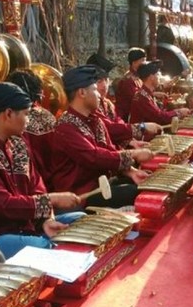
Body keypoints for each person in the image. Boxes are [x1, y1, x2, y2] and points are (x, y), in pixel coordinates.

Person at [0, 82, 81, 260]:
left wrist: (47, 219)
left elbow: (38, 188)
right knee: (45, 248)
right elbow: (3, 204)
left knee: (80, 220)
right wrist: (53, 200)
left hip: (27, 227)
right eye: (26, 114)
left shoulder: (18, 144)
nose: (28, 121)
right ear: (8, 114)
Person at [37, 65, 154, 207]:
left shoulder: (95, 120)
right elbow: (94, 157)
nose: (99, 94)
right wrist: (133, 154)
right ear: (82, 92)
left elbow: (110, 151)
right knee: (137, 193)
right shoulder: (66, 127)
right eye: (94, 89)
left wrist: (131, 171)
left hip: (103, 184)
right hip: (81, 195)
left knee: (150, 181)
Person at [86, 53, 162, 146]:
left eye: (106, 80)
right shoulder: (88, 107)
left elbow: (118, 121)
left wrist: (129, 141)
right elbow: (109, 129)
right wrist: (141, 127)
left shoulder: (107, 103)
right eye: (98, 81)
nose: (104, 86)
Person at [130, 60, 191, 125]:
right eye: (157, 74)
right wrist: (179, 112)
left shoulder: (145, 94)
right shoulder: (142, 97)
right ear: (151, 77)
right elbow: (159, 117)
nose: (159, 77)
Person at [115, 47, 146, 122]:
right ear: (134, 62)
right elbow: (137, 99)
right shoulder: (128, 80)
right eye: (142, 60)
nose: (145, 63)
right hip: (126, 118)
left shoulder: (137, 76)